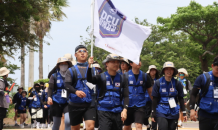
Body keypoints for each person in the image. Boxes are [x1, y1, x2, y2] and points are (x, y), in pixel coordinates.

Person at [87, 54, 129, 130]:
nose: (116, 64)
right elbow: (89, 79)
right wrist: (89, 65)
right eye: (113, 62)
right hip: (104, 111)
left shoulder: (122, 78)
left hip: (118, 111)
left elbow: (126, 95)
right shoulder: (101, 77)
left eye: (117, 62)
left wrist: (125, 110)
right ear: (107, 63)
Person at [64, 45, 96, 130]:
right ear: (75, 55)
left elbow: (95, 83)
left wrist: (90, 65)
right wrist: (76, 92)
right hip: (75, 103)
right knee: (75, 128)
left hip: (89, 103)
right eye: (80, 51)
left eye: (84, 51)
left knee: (90, 127)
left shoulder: (93, 69)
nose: (82, 53)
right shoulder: (71, 70)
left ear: (87, 54)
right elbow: (67, 85)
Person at [151, 62, 187, 130]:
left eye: (171, 69)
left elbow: (181, 98)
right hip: (161, 110)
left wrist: (184, 113)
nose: (169, 71)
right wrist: (153, 113)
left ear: (173, 71)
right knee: (163, 128)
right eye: (167, 69)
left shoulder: (177, 83)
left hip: (174, 111)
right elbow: (154, 99)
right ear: (164, 71)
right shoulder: (158, 83)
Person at [190, 56, 218, 130]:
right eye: (217, 69)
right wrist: (192, 109)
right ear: (212, 66)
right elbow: (193, 94)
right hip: (205, 115)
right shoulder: (203, 78)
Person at [123, 60, 153, 130]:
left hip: (140, 105)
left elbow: (150, 92)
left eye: (139, 61)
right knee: (127, 126)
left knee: (139, 125)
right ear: (131, 64)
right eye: (136, 61)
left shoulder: (145, 76)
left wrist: (155, 105)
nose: (139, 63)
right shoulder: (125, 76)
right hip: (128, 105)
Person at [47, 57, 72, 130]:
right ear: (58, 65)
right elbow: (50, 88)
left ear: (68, 65)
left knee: (68, 121)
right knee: (56, 123)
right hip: (56, 101)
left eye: (65, 64)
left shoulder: (71, 75)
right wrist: (49, 97)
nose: (64, 66)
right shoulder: (54, 76)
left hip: (68, 101)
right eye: (62, 64)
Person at [144, 65, 159, 130]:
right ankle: (147, 125)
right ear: (149, 71)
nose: (153, 71)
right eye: (151, 70)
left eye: (154, 70)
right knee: (144, 116)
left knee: (154, 114)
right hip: (147, 99)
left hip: (155, 99)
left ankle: (154, 128)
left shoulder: (159, 79)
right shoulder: (146, 79)